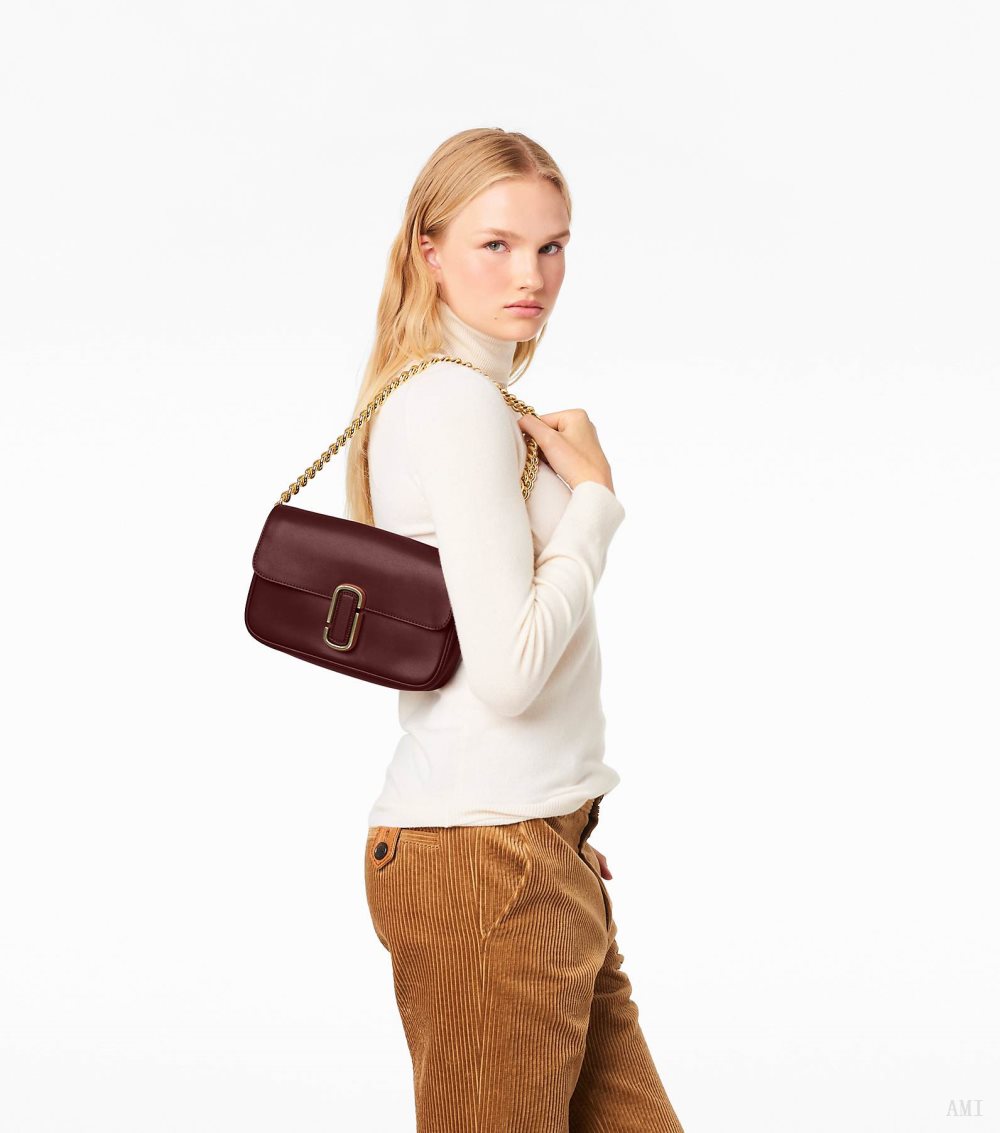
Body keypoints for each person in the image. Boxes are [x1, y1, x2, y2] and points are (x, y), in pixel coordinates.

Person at [345, 127, 684, 1132]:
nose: (531, 274)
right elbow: (508, 670)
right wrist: (596, 503)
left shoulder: (475, 400)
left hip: (533, 848)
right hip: (487, 865)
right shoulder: (454, 404)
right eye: (495, 244)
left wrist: (557, 818)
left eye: (551, 245)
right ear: (429, 250)